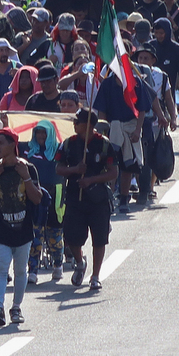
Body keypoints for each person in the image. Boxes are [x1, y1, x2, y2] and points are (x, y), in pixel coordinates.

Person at [0, 129, 46, 327]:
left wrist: (26, 178)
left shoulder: (28, 168)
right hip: (1, 230)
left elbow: (37, 198)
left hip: (23, 230)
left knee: (20, 271)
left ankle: (16, 307)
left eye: (1, 143)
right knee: (1, 269)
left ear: (12, 145)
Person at [57, 109, 118, 291]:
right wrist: (75, 170)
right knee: (71, 237)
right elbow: (59, 168)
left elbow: (113, 172)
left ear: (90, 125)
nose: (74, 124)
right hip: (75, 198)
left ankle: (95, 276)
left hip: (98, 199)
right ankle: (79, 261)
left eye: (78, 121)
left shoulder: (104, 145)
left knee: (99, 238)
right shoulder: (68, 144)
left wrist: (91, 180)